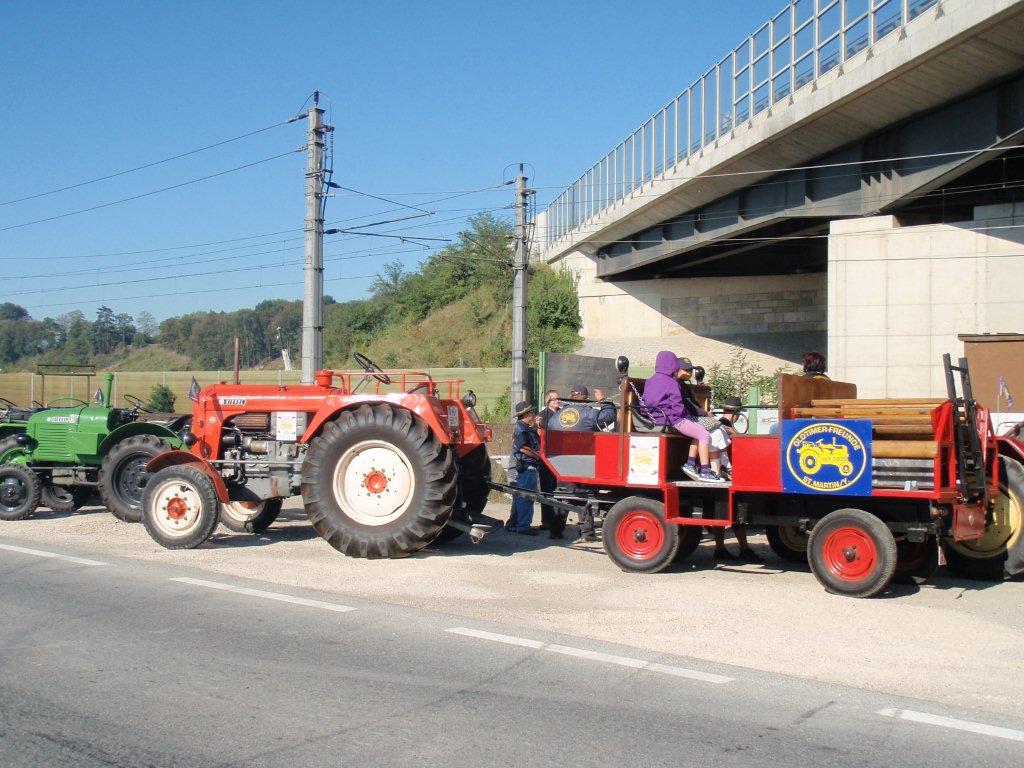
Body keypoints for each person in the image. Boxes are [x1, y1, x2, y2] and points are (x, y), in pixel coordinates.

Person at [642, 351, 725, 483]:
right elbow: (678, 407)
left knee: (697, 431)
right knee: (704, 434)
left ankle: (691, 464)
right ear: (672, 364)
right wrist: (687, 416)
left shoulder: (650, 381)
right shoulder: (671, 382)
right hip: (673, 419)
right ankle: (705, 470)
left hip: (655, 418)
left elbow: (646, 400)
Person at [510, 401, 540, 536]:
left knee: (520, 496)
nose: (533, 414)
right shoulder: (521, 429)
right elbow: (523, 448)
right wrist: (538, 456)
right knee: (526, 497)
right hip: (527, 466)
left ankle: (513, 524)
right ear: (525, 415)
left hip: (526, 466)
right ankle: (523, 526)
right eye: (531, 412)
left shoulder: (525, 427)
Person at [536, 389, 561, 537]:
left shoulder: (562, 414)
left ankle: (557, 520)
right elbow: (540, 434)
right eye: (555, 399)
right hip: (546, 459)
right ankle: (547, 521)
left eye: (558, 399)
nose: (558, 401)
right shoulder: (543, 416)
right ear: (548, 401)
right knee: (547, 490)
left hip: (559, 457)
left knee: (558, 490)